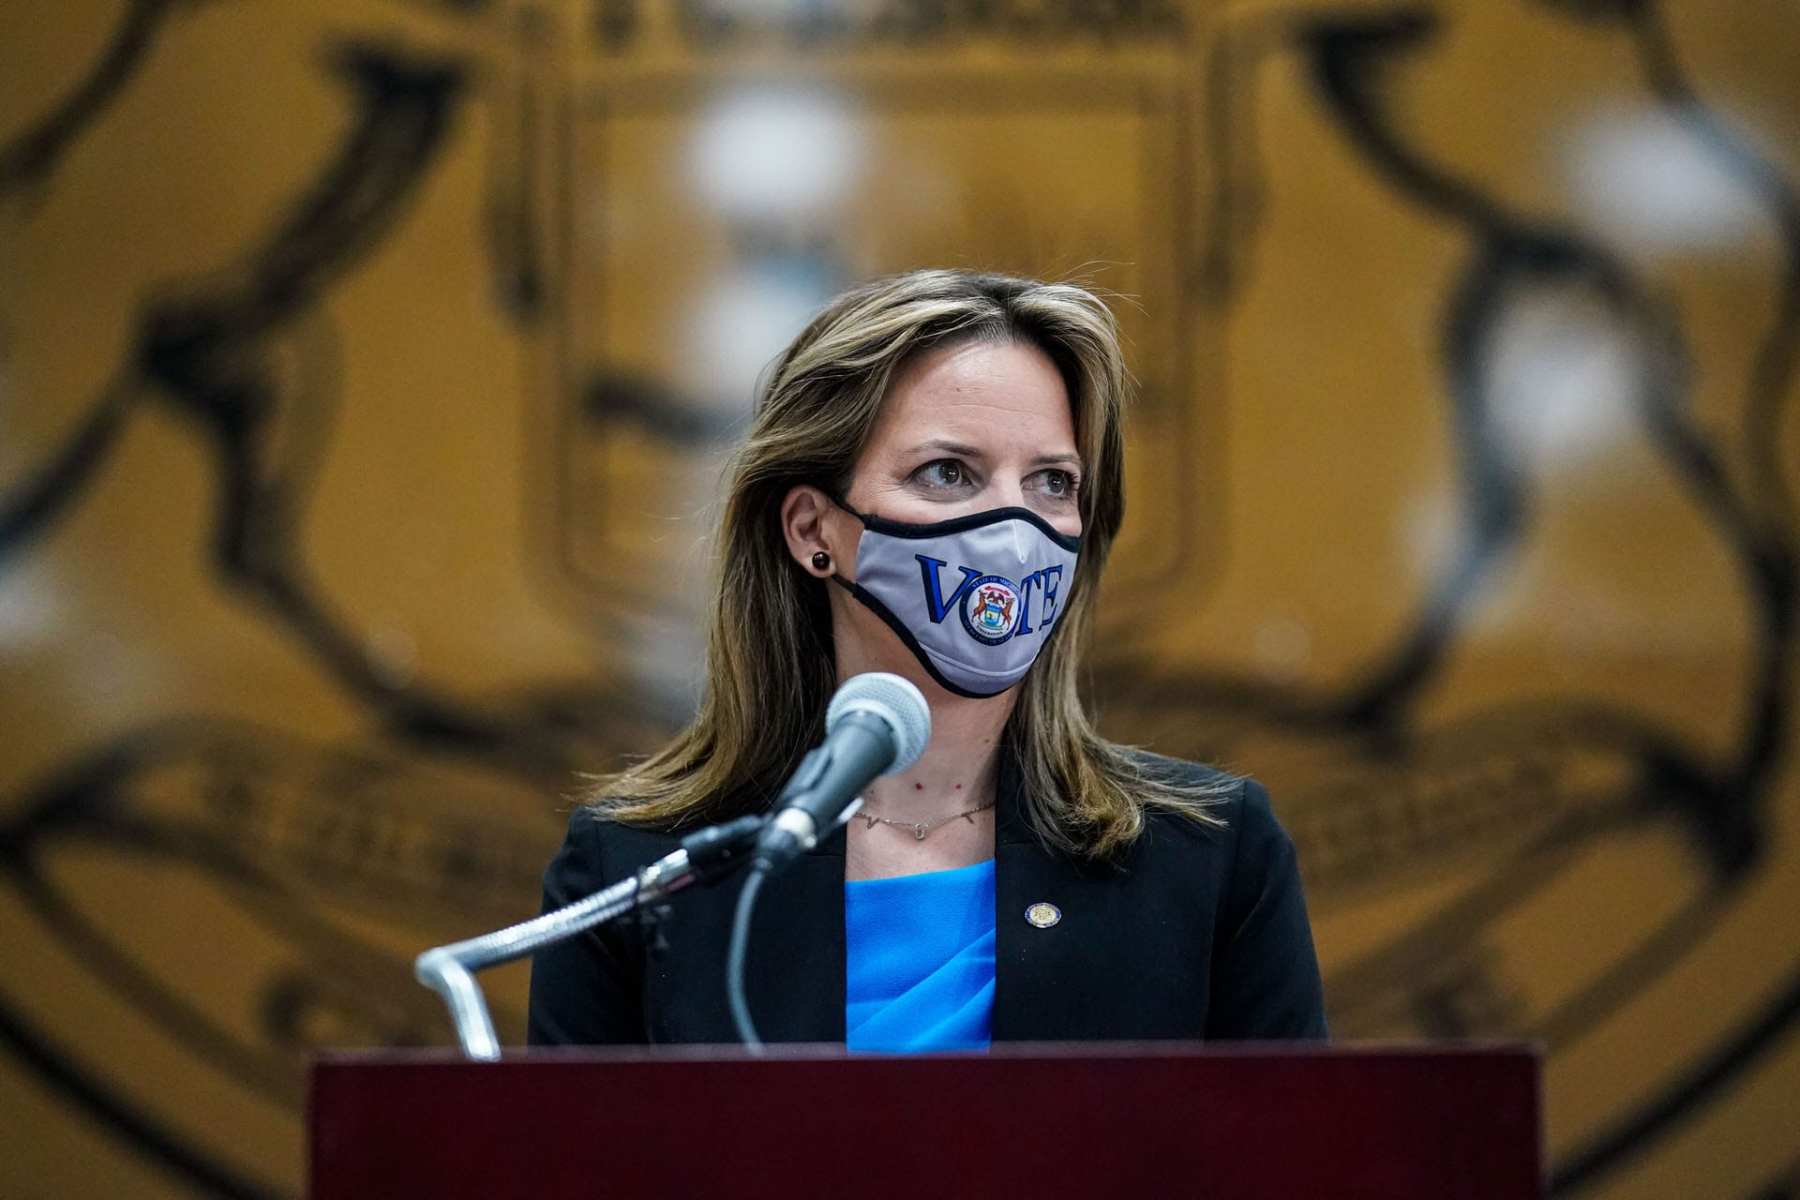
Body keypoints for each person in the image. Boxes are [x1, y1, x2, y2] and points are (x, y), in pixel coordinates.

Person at [528, 268, 1326, 1049]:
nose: (1013, 530)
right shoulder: (636, 874)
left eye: (1052, 481)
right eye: (949, 473)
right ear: (813, 530)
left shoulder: (1214, 855)